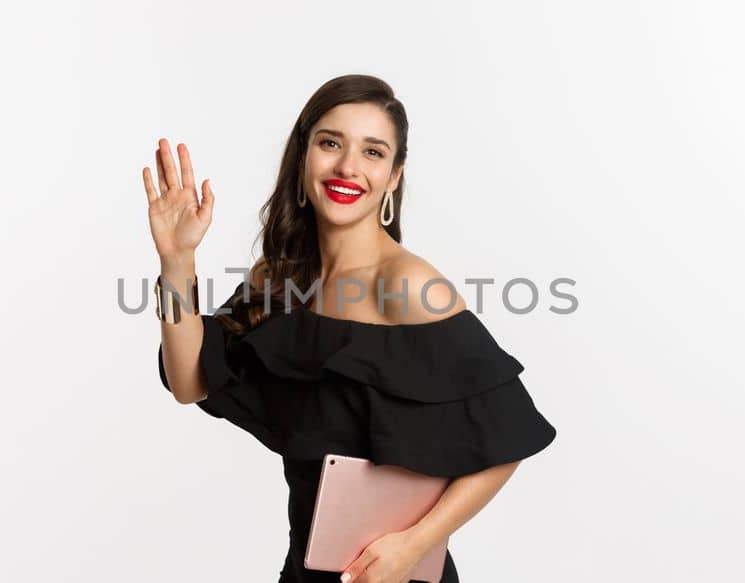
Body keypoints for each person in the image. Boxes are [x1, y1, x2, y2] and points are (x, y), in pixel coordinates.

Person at [143, 74, 556, 583]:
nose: (348, 167)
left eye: (373, 152)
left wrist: (414, 545)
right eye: (331, 143)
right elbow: (190, 381)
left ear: (394, 177)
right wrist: (177, 259)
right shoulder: (278, 278)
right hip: (306, 571)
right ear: (303, 157)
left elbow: (507, 437)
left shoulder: (408, 285)